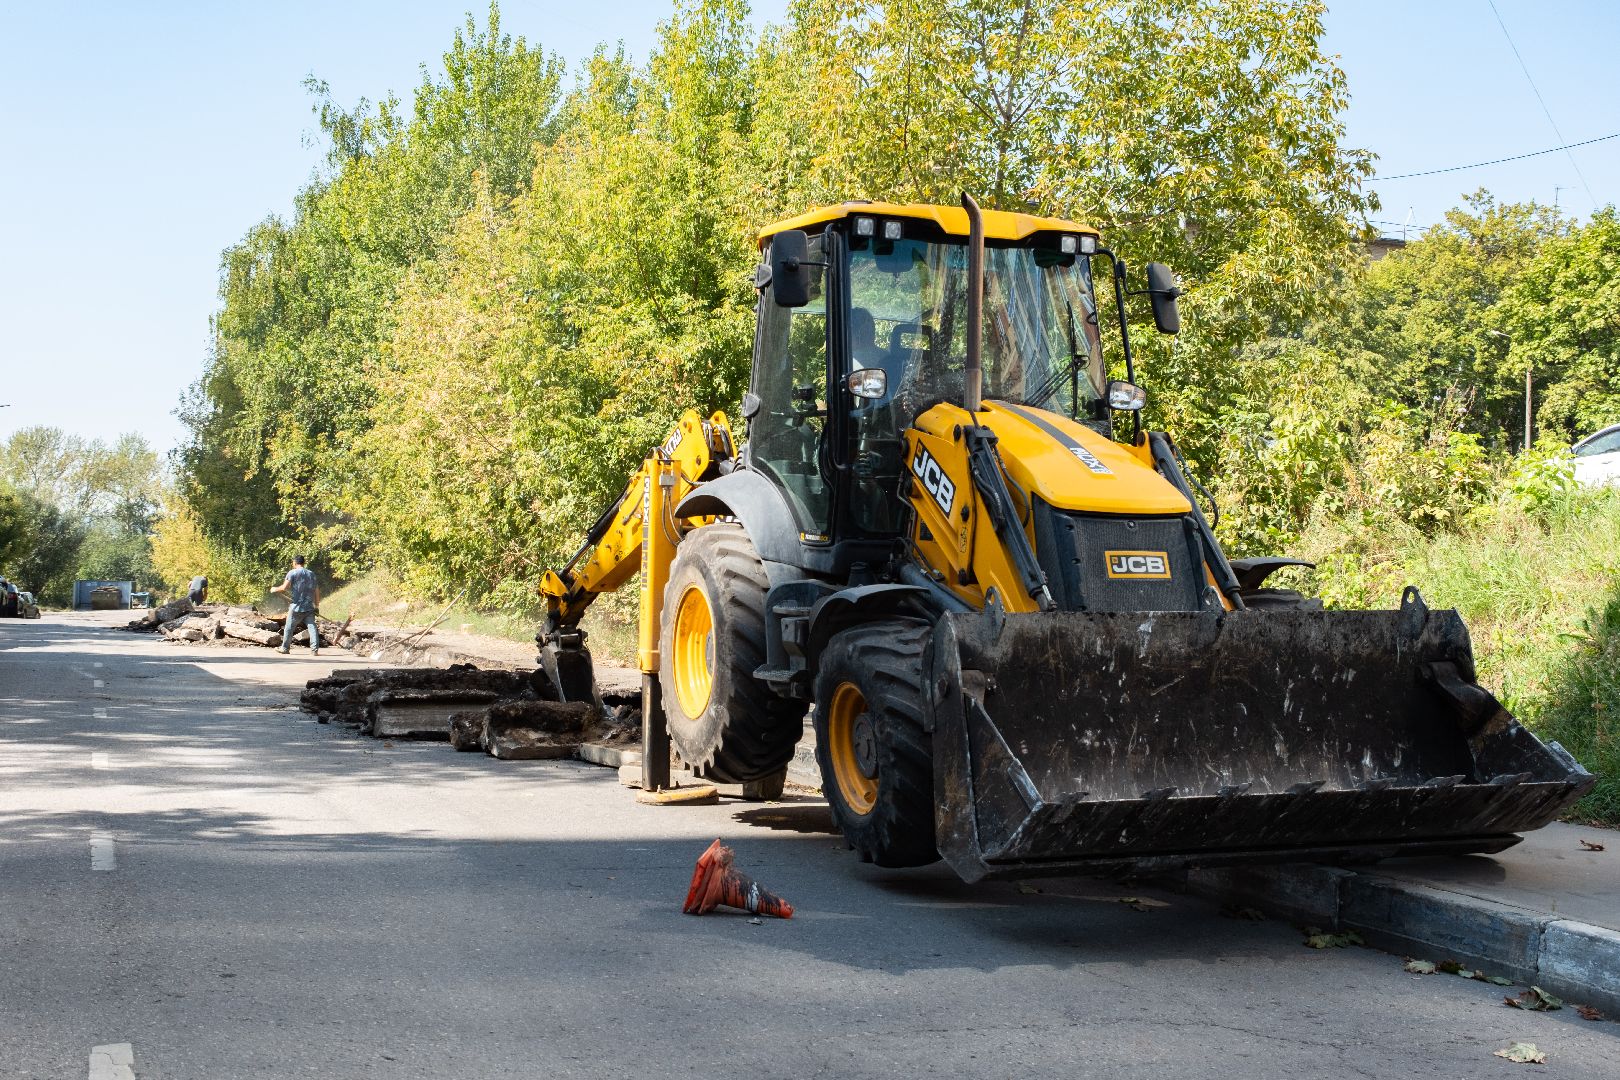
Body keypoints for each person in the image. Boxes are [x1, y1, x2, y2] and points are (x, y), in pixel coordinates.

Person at [269, 556, 320, 656]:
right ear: (303, 563)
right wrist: (317, 606)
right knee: (312, 627)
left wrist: (274, 589)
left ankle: (285, 648)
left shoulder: (292, 572)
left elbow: (284, 587)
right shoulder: (311, 574)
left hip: (296, 607)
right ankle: (314, 650)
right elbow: (317, 591)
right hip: (309, 606)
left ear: (294, 562)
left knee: (289, 627)